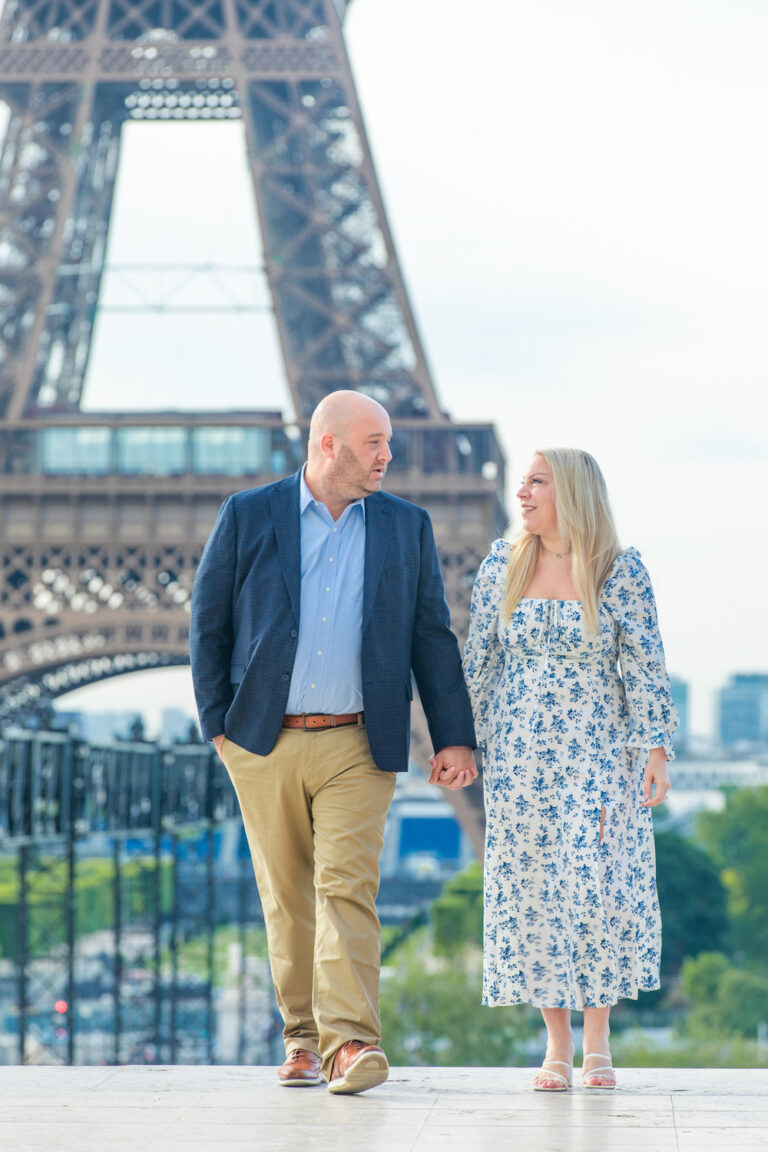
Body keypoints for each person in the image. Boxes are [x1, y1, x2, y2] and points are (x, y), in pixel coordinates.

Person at [189, 390, 477, 1094]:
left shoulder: (406, 526)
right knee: (287, 897)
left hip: (359, 738)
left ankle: (350, 1043)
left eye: (387, 442)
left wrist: (454, 737)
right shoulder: (250, 514)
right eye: (374, 442)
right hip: (262, 739)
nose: (387, 455)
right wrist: (218, 728)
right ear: (328, 444)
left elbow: (431, 637)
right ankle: (302, 1040)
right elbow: (208, 622)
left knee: (347, 887)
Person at [462, 447, 677, 1092]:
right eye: (522, 481)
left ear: (573, 493)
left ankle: (598, 1041)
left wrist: (655, 750)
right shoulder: (503, 563)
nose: (521, 493)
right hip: (518, 754)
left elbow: (644, 662)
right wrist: (458, 742)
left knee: (594, 887)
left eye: (536, 482)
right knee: (532, 890)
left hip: (597, 751)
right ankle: (555, 1045)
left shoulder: (619, 569)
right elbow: (478, 663)